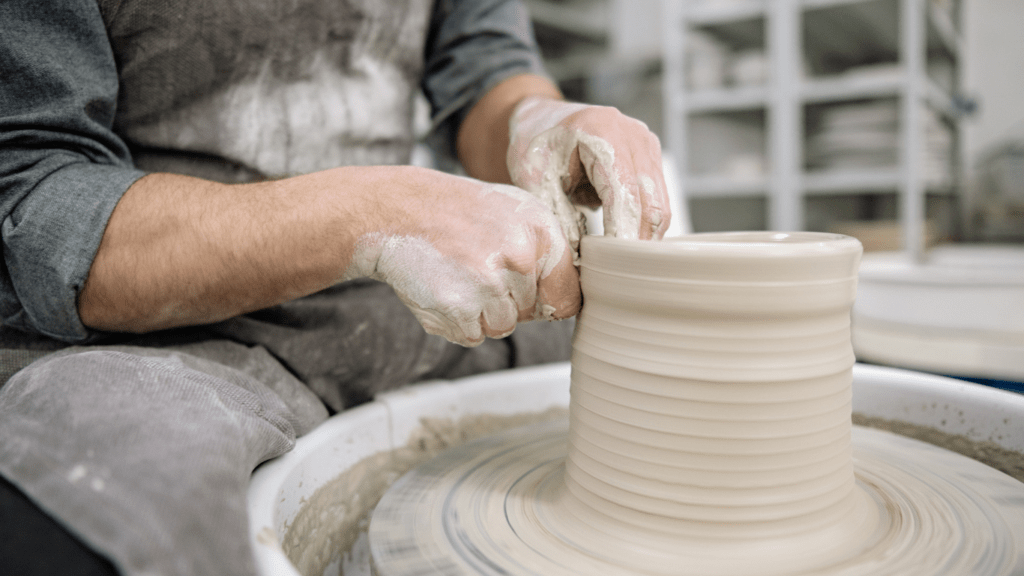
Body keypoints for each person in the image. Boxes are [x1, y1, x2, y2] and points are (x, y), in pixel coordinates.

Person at [0, 0, 670, 574]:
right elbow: (38, 202)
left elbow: (485, 72)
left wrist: (537, 121)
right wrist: (374, 214)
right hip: (166, 329)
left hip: (386, 303)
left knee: (639, 362)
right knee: (112, 497)